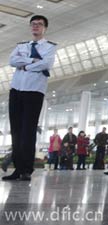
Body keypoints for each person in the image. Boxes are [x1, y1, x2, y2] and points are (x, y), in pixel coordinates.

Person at [4, 15, 56, 181]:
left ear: (44, 28)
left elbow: (46, 64)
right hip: (17, 89)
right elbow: (12, 61)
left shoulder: (49, 47)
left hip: (34, 91)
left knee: (28, 131)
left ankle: (27, 169)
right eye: (33, 24)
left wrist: (24, 64)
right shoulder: (22, 45)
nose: (36, 26)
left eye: (39, 24)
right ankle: (17, 169)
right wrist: (32, 60)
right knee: (16, 131)